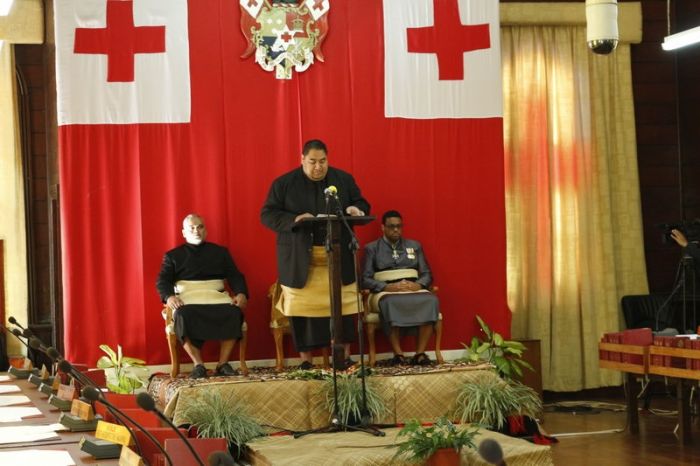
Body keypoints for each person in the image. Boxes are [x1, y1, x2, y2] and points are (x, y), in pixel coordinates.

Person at [261, 139, 370, 370]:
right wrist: (293, 220)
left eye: (323, 161)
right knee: (303, 311)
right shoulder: (284, 183)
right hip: (301, 258)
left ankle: (345, 357)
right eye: (312, 162)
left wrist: (355, 209)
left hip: (338, 256)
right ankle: (306, 361)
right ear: (302, 159)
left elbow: (362, 203)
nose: (318, 167)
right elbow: (267, 214)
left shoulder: (343, 179)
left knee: (343, 308)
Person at [156, 214, 248, 378]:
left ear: (205, 230)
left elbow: (235, 275)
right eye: (191, 228)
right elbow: (163, 280)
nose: (196, 231)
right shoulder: (173, 256)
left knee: (234, 312)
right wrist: (169, 297)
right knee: (183, 316)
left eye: (200, 227)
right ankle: (199, 364)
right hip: (188, 299)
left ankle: (223, 363)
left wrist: (241, 293)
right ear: (184, 232)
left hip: (217, 297)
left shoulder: (220, 252)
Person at [362, 210, 439, 366]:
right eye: (391, 227)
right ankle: (398, 354)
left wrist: (418, 285)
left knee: (431, 300)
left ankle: (419, 354)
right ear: (383, 228)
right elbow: (365, 279)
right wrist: (386, 287)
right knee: (391, 303)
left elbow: (427, 273)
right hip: (386, 291)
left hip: (412, 288)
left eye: (399, 226)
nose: (396, 230)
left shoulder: (414, 246)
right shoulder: (372, 248)